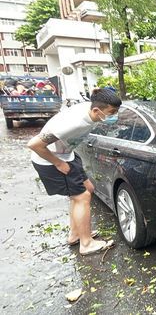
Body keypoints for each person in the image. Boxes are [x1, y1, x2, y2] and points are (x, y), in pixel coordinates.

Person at [27, 88, 121, 256]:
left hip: (67, 154)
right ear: (96, 110)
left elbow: (96, 92)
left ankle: (75, 234)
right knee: (81, 196)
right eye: (112, 112)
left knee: (88, 189)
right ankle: (86, 243)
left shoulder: (92, 106)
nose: (114, 116)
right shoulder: (74, 123)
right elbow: (34, 144)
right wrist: (57, 163)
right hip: (49, 159)